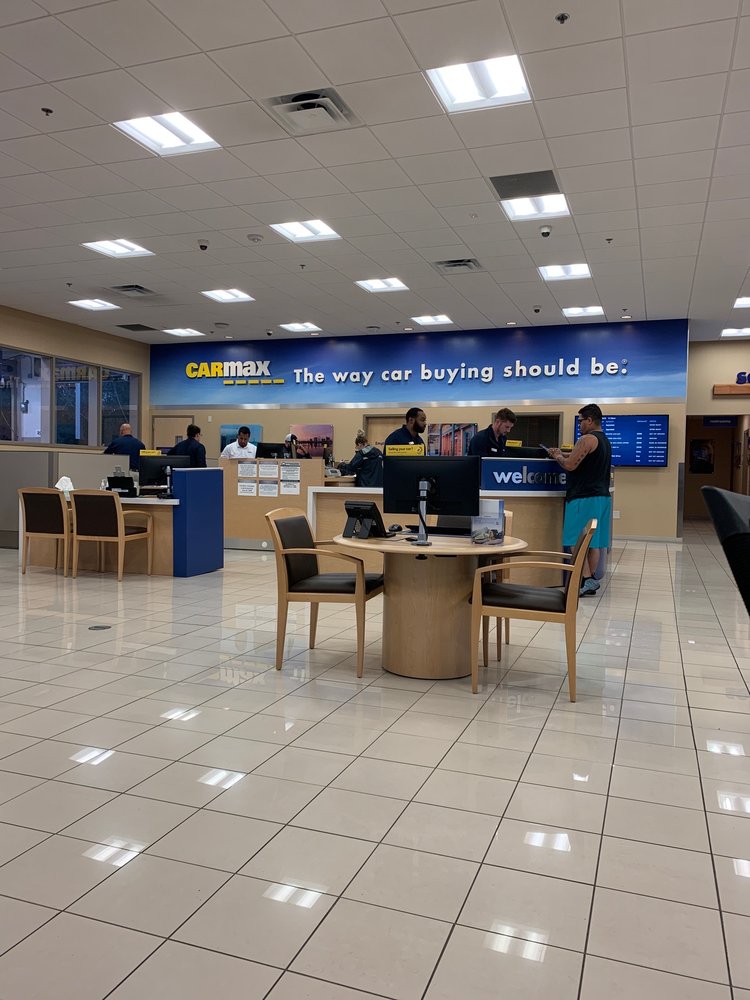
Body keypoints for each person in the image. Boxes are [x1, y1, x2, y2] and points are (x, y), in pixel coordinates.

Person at [547, 403, 612, 597]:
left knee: (576, 540)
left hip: (583, 497)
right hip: (602, 497)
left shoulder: (587, 439)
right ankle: (589, 581)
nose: (579, 425)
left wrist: (558, 457)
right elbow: (581, 458)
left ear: (590, 420)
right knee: (593, 541)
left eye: (581, 421)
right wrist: (561, 453)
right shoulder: (604, 440)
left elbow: (570, 465)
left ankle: (584, 580)